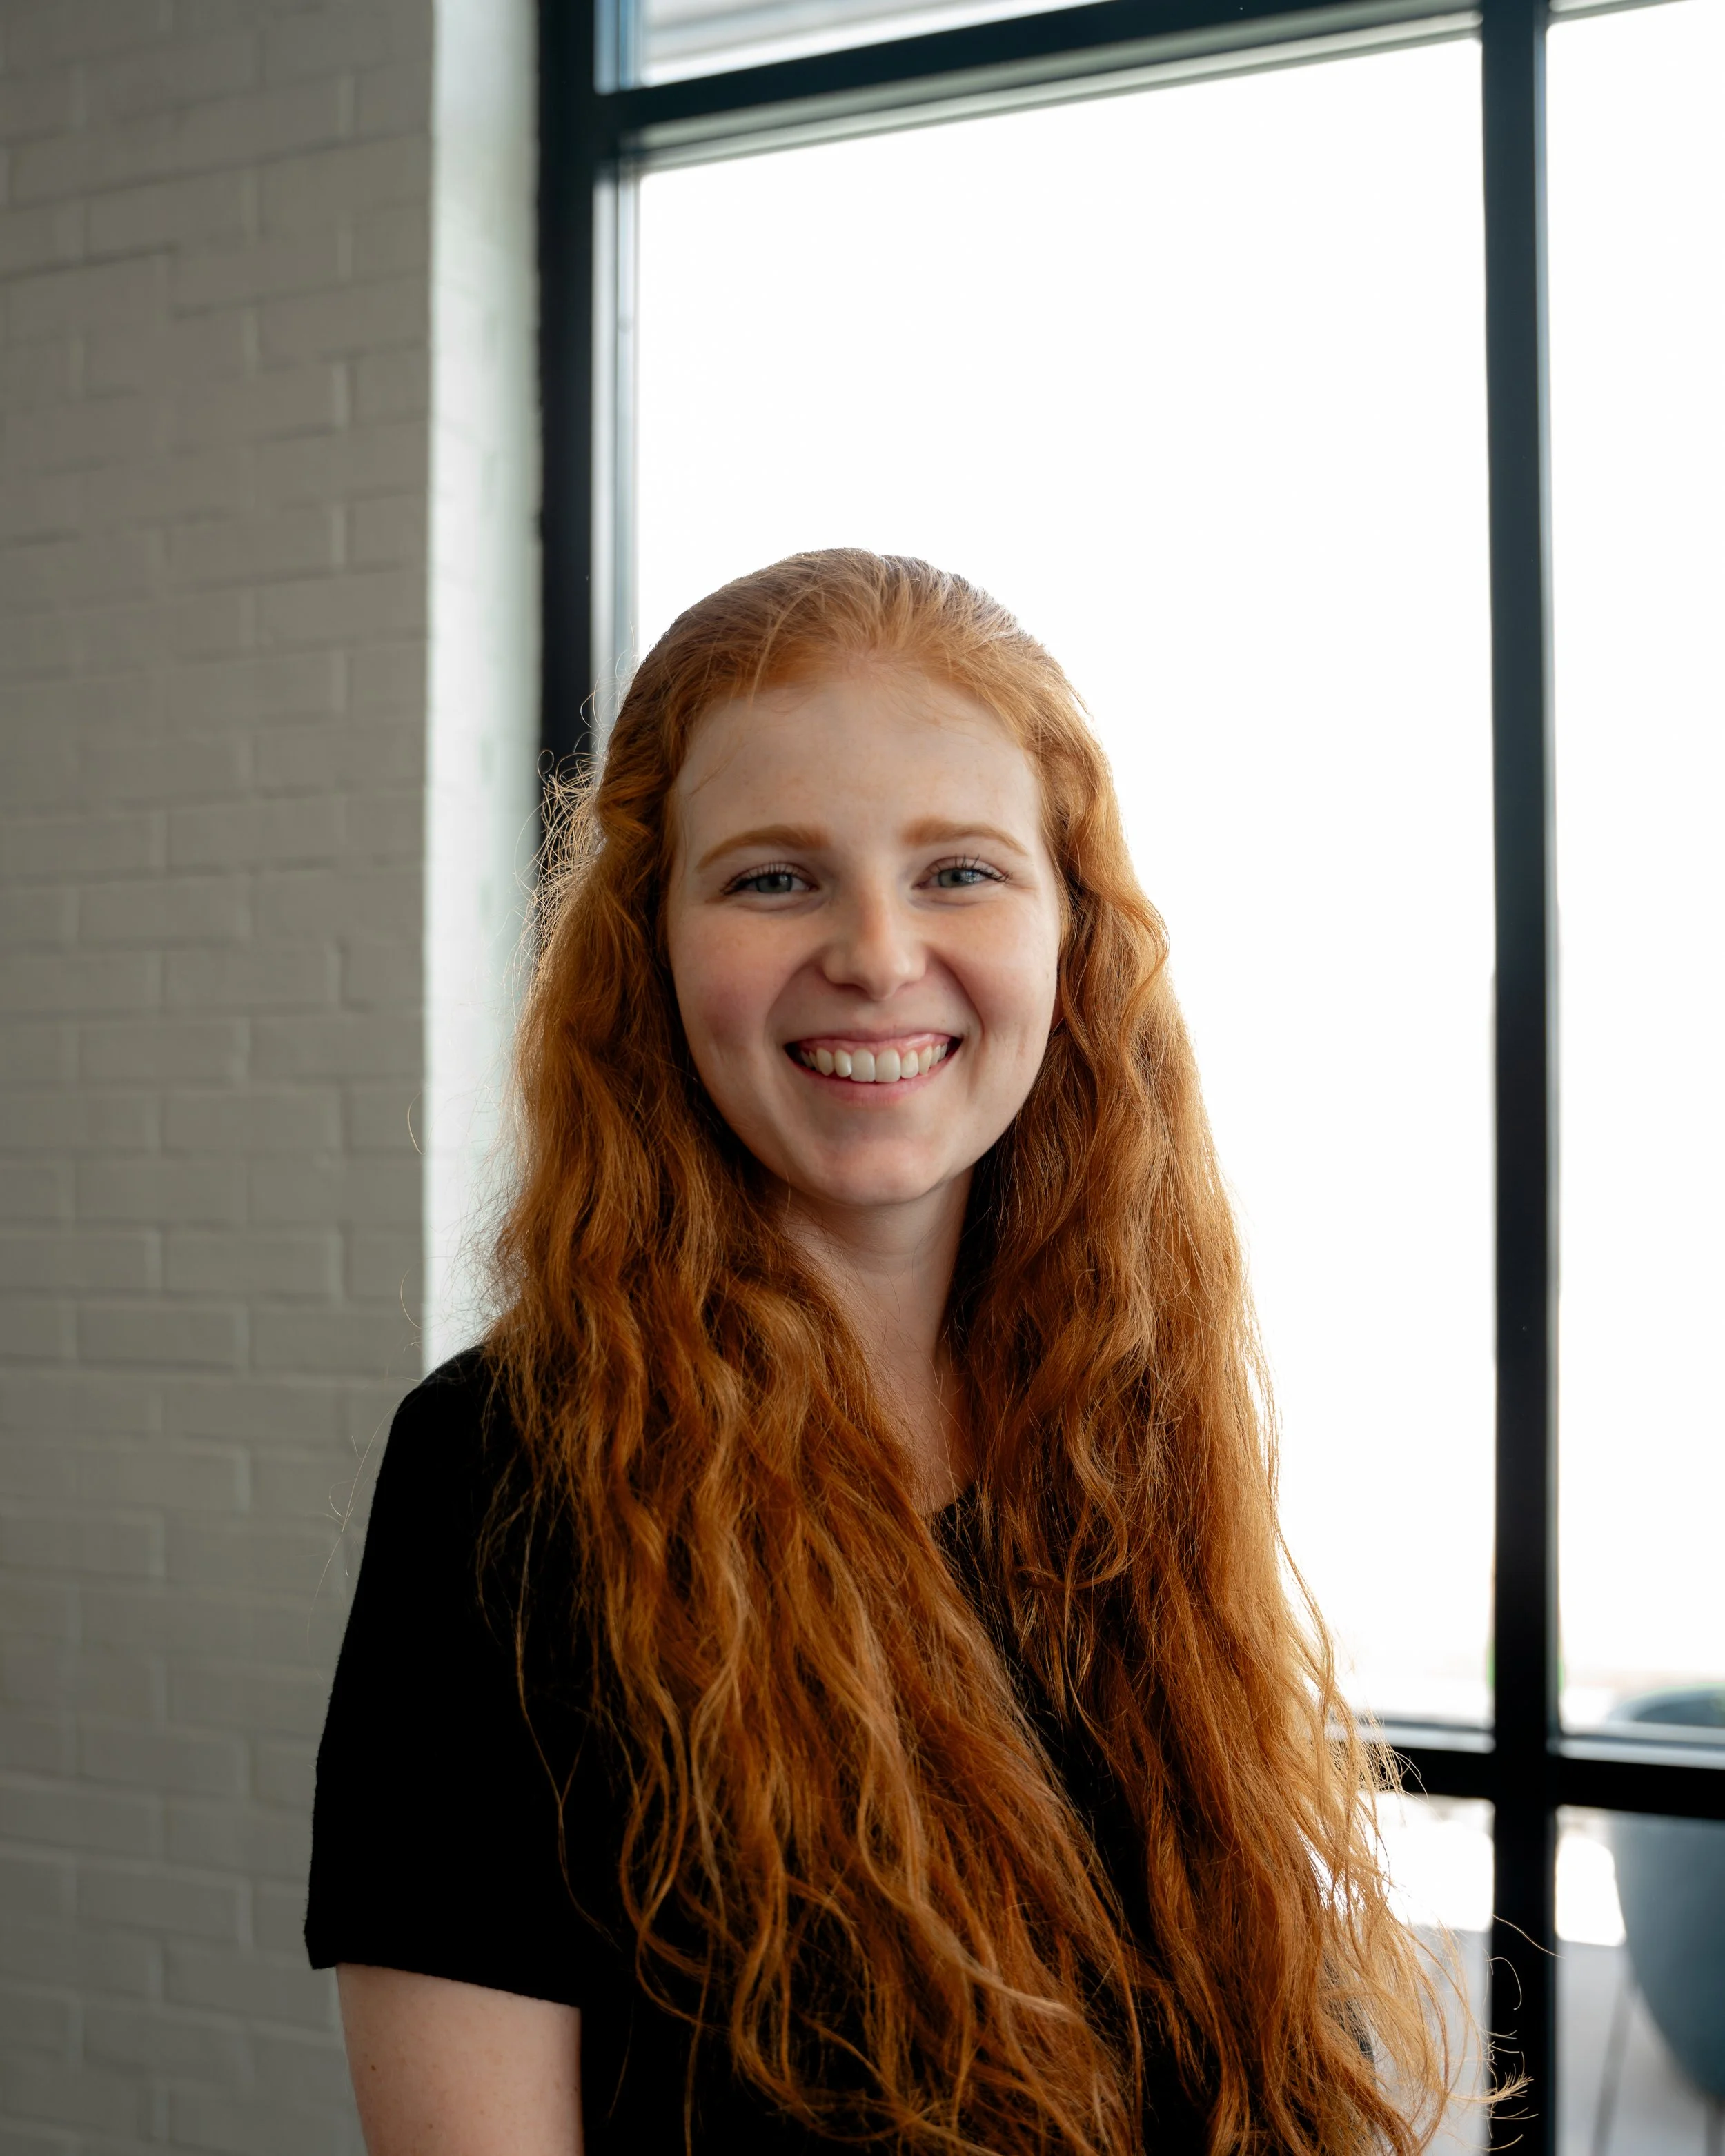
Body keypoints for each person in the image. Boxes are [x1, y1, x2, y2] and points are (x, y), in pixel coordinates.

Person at [307, 549, 1454, 2154]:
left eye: (958, 871)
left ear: (1072, 931)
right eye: (773, 876)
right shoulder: (501, 1471)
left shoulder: (1125, 1411)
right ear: (647, 945)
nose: (873, 950)